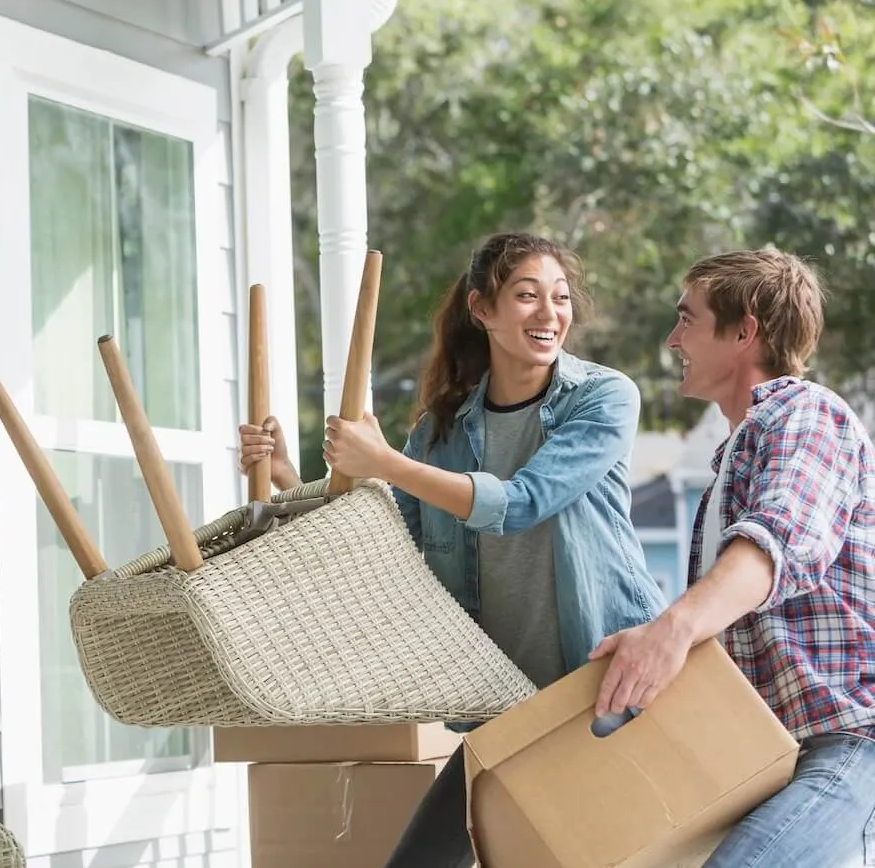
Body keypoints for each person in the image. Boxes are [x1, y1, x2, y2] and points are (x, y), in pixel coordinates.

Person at [240, 232, 665, 868]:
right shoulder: (440, 431)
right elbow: (383, 539)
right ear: (482, 310)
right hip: (503, 704)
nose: (550, 314)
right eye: (526, 296)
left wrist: (384, 461)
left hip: (600, 689)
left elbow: (520, 503)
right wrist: (285, 476)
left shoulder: (603, 398)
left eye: (560, 297)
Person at [589, 248, 875, 866]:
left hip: (850, 744)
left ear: (745, 331)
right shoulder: (736, 456)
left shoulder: (808, 415)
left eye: (686, 319)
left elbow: (781, 540)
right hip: (772, 757)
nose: (672, 339)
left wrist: (672, 629)